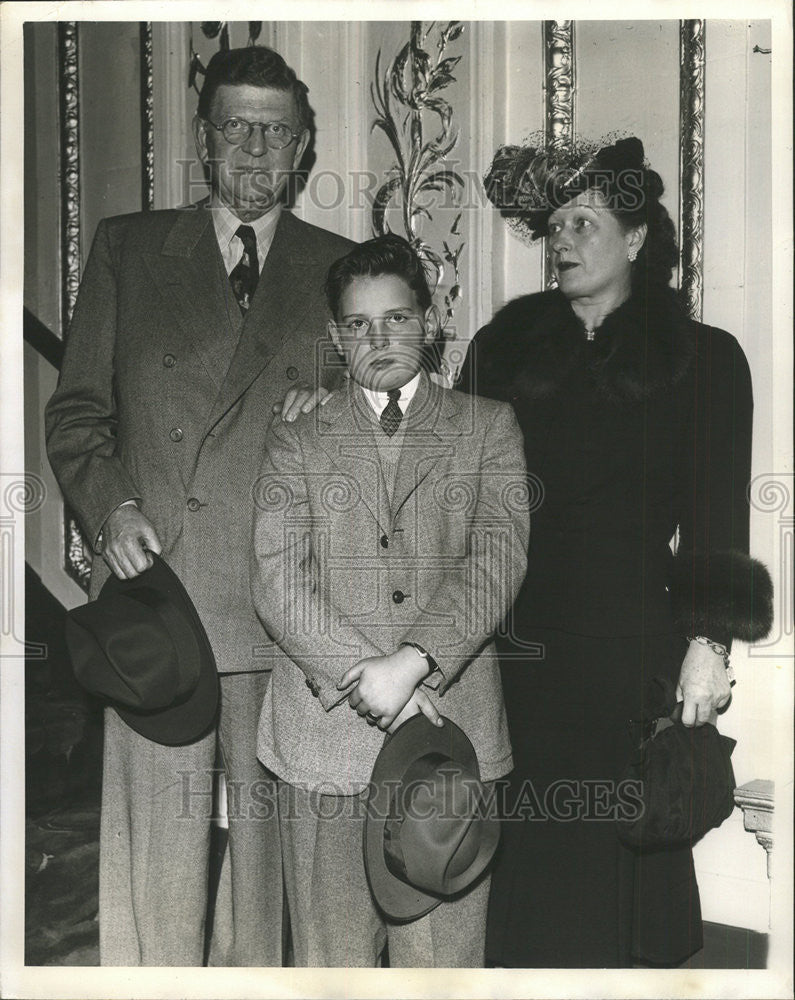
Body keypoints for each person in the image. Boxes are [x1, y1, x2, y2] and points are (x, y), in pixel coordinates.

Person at [45, 45, 354, 966]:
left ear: (302, 150)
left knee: (268, 870)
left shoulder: (341, 268)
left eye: (276, 132)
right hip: (160, 598)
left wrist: (331, 413)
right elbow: (76, 412)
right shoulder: (129, 248)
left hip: (281, 603)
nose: (255, 149)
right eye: (235, 128)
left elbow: (385, 421)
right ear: (204, 140)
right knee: (158, 861)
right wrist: (113, 510)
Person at [459, 135, 773, 968]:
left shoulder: (702, 360)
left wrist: (709, 647)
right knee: (531, 845)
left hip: (634, 637)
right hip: (518, 638)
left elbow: (714, 523)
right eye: (554, 224)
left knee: (622, 830)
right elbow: (442, 481)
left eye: (584, 222)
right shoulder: (503, 350)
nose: (560, 240)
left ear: (636, 238)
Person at [250, 234, 530, 966]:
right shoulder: (296, 438)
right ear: (336, 338)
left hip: (450, 736)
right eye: (358, 324)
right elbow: (278, 577)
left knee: (440, 959)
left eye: (396, 318)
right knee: (331, 960)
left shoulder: (488, 426)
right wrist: (371, 679)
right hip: (324, 736)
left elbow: (498, 558)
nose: (378, 338)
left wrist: (413, 663)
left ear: (430, 321)